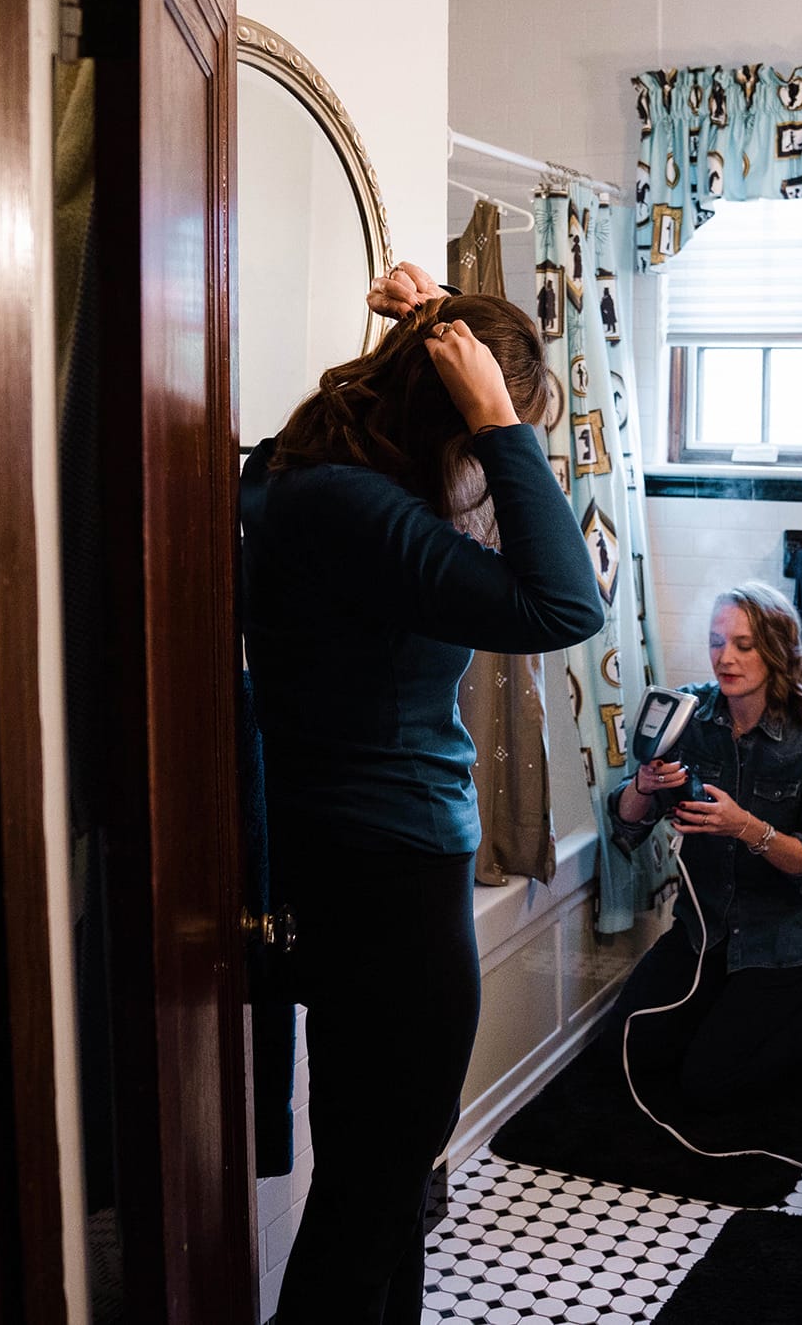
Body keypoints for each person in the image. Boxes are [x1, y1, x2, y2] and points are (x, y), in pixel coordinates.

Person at [241, 262, 605, 1324]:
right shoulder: (356, 511)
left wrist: (439, 326)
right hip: (390, 875)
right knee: (372, 1194)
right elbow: (563, 603)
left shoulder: (301, 478)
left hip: (341, 855)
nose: (487, 474)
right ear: (448, 419)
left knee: (383, 1181)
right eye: (484, 441)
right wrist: (499, 416)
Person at [599, 583, 802, 1119]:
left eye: (744, 645)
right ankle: (715, 1019)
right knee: (624, 1053)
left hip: (785, 939)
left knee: (709, 1084)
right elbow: (626, 826)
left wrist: (747, 827)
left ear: (778, 650)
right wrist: (644, 786)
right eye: (716, 641)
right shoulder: (687, 716)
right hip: (704, 933)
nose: (725, 658)